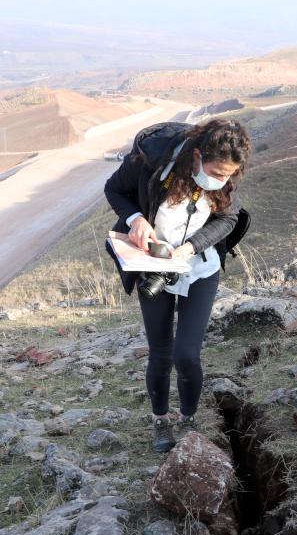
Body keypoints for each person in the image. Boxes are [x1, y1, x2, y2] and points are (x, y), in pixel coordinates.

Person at [104, 118, 252, 453]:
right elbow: (114, 189)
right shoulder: (154, 159)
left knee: (187, 355)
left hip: (199, 267)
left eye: (228, 175)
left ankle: (188, 420)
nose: (221, 181)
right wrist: (136, 220)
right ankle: (161, 421)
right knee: (160, 353)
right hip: (151, 264)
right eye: (216, 172)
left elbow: (228, 218)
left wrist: (190, 248)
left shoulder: (227, 179)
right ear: (198, 156)